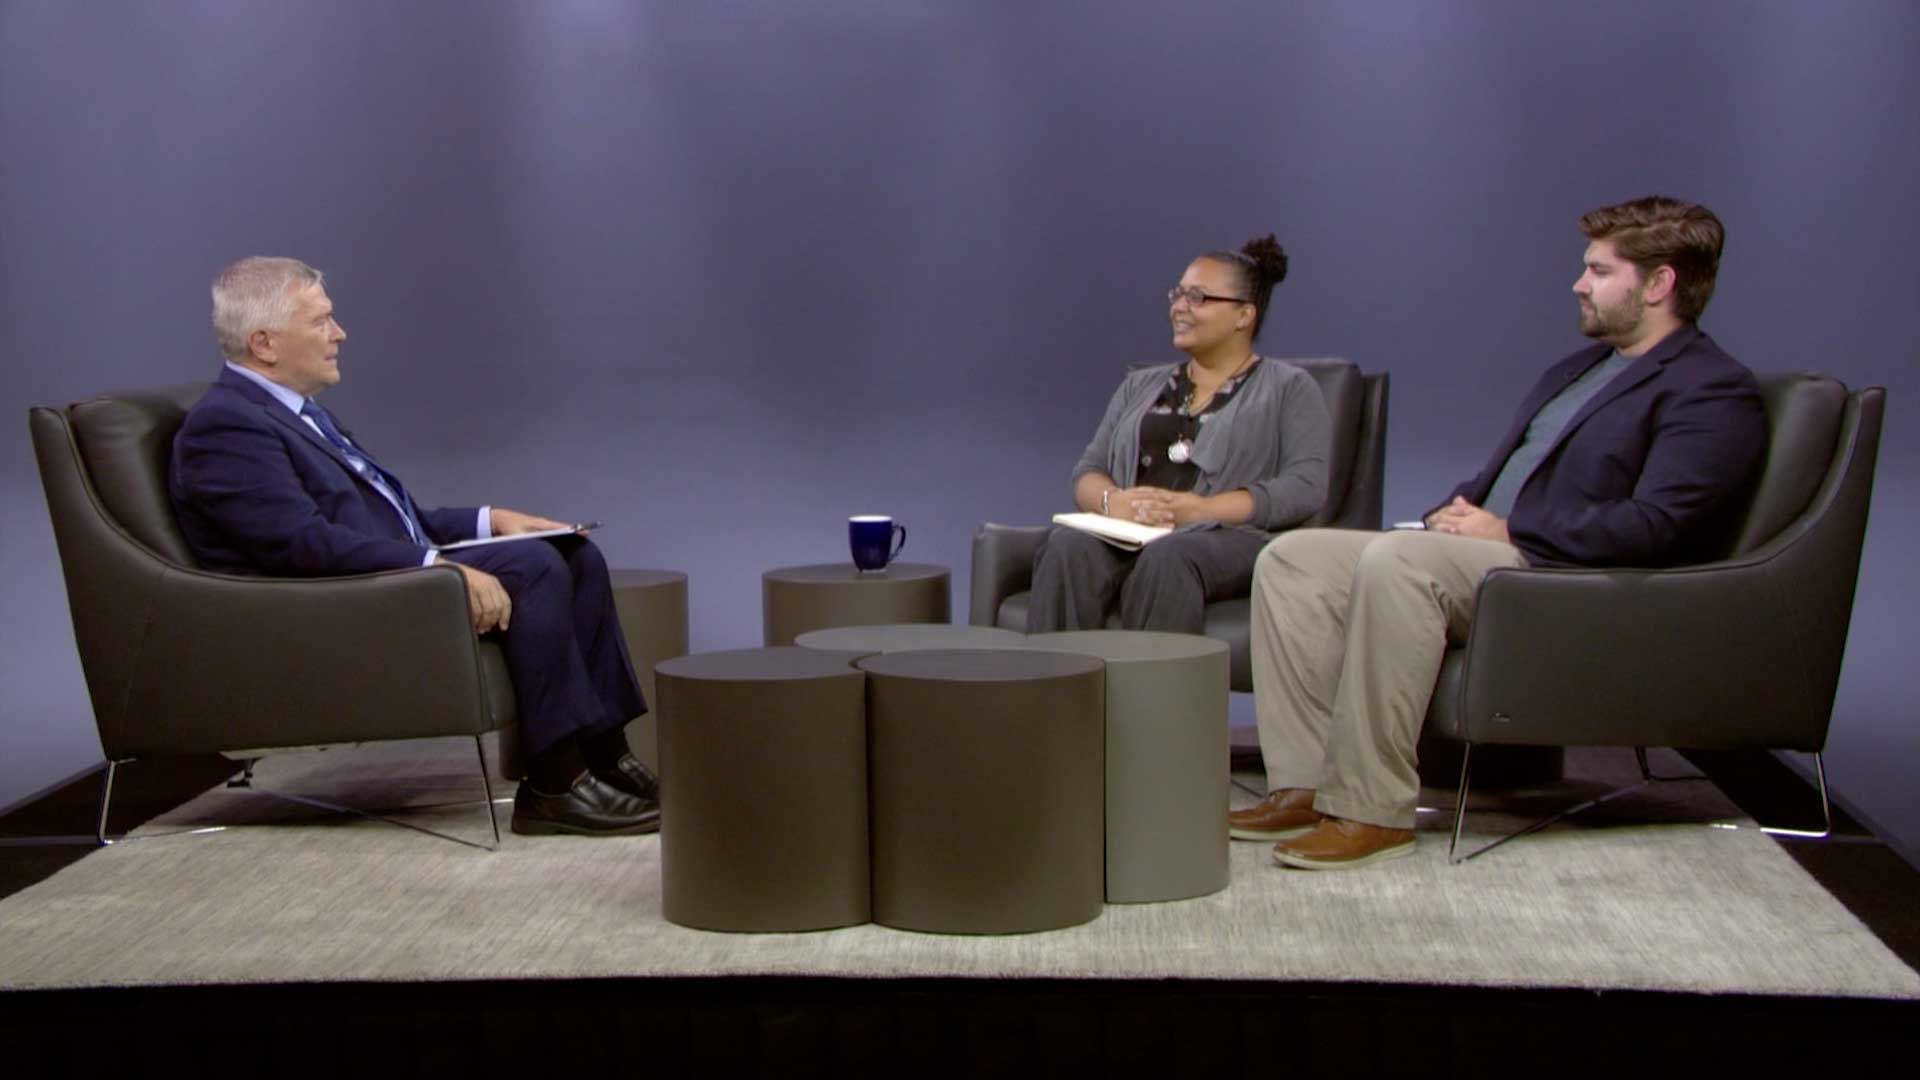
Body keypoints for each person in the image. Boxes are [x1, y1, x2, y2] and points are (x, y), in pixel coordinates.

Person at [1230, 196, 1768, 870]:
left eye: (1600, 271)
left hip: (1567, 578)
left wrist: (1507, 527)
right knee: (1294, 558)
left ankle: (1371, 809)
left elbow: (1659, 526)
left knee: (1401, 564)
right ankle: (1304, 786)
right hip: (1493, 552)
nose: (1579, 284)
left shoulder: (1710, 389)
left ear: (1659, 284)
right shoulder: (1577, 371)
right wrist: (1454, 511)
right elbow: (1505, 475)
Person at [170, 256, 660, 837]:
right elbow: (302, 546)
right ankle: (556, 784)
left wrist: (491, 520)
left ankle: (605, 755)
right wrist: (440, 566)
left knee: (574, 554)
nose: (339, 333)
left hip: (378, 577)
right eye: (321, 321)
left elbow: (392, 519)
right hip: (331, 609)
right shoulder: (225, 427)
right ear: (264, 343)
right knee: (531, 569)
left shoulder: (293, 412)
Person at [1025, 235, 1332, 634]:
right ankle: (1059, 675)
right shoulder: (1139, 386)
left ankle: (1155, 678)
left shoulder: (1289, 388)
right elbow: (1088, 470)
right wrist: (1113, 502)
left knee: (1169, 557)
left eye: (1198, 297)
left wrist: (1203, 510)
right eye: (1178, 294)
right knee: (1067, 546)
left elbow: (1305, 487)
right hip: (1132, 531)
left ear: (1244, 315)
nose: (1179, 307)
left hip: (1228, 538)